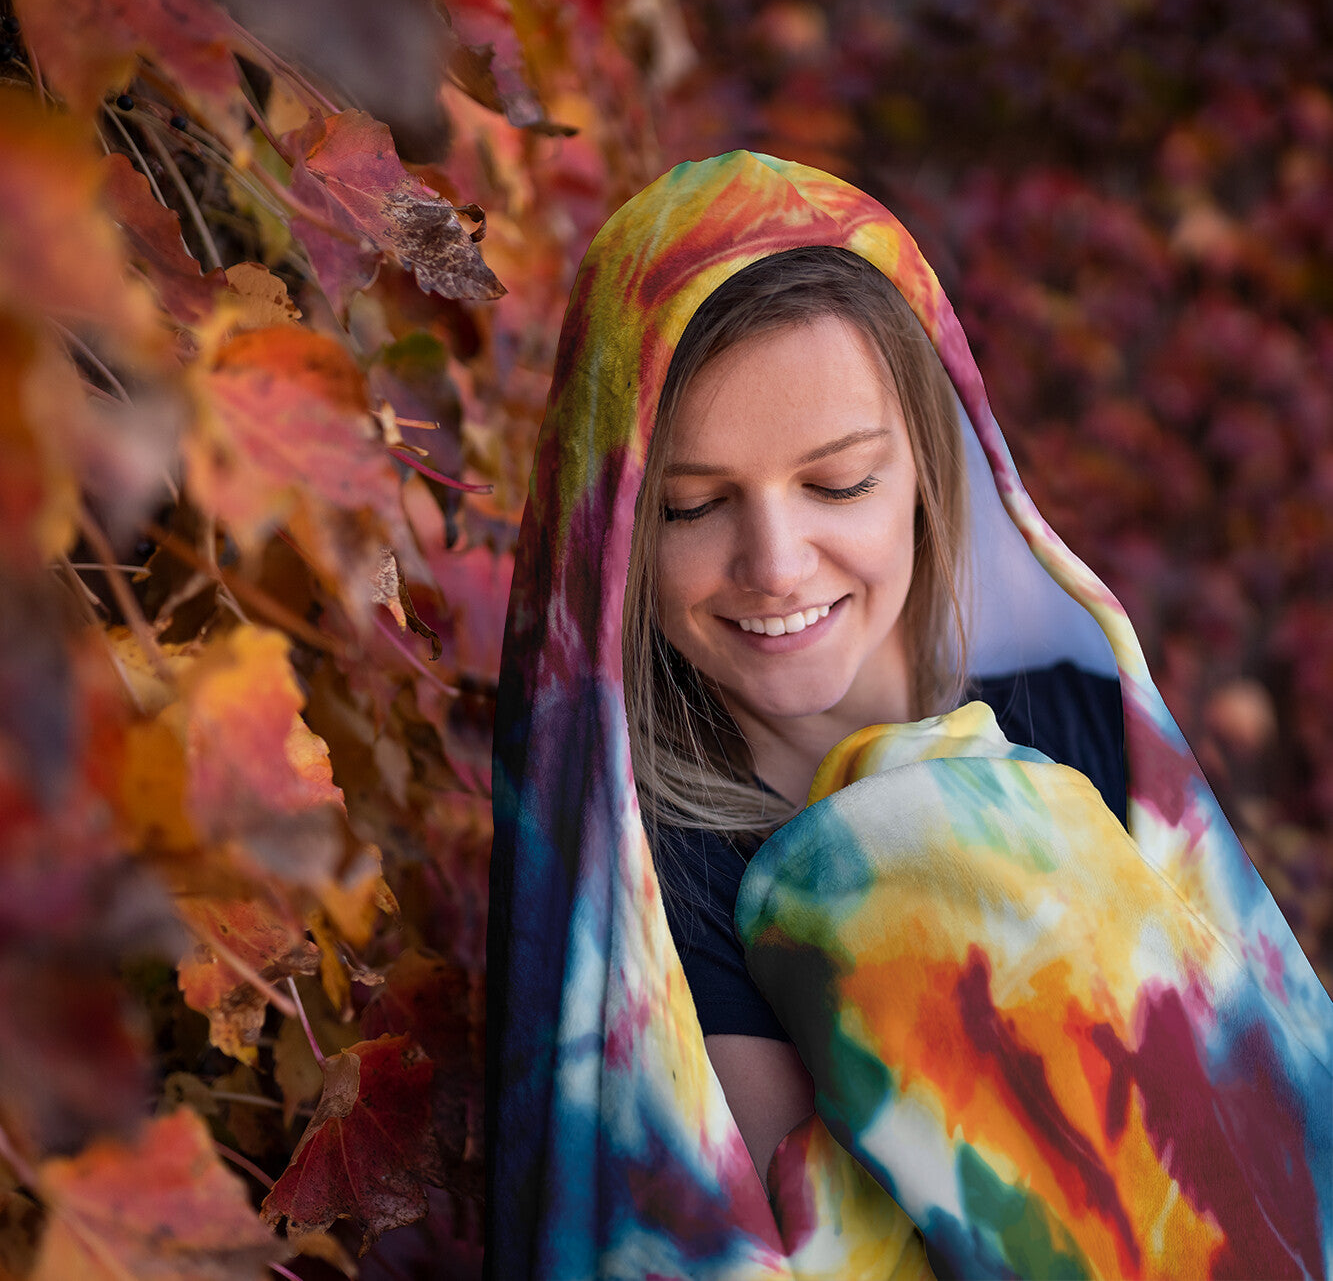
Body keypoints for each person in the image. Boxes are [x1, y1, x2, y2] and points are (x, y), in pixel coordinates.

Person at [486, 151, 1331, 1279]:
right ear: (614, 529)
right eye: (691, 506)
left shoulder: (1092, 729)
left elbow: (1272, 1121)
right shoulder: (649, 885)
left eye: (838, 483)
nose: (776, 564)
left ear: (930, 466)